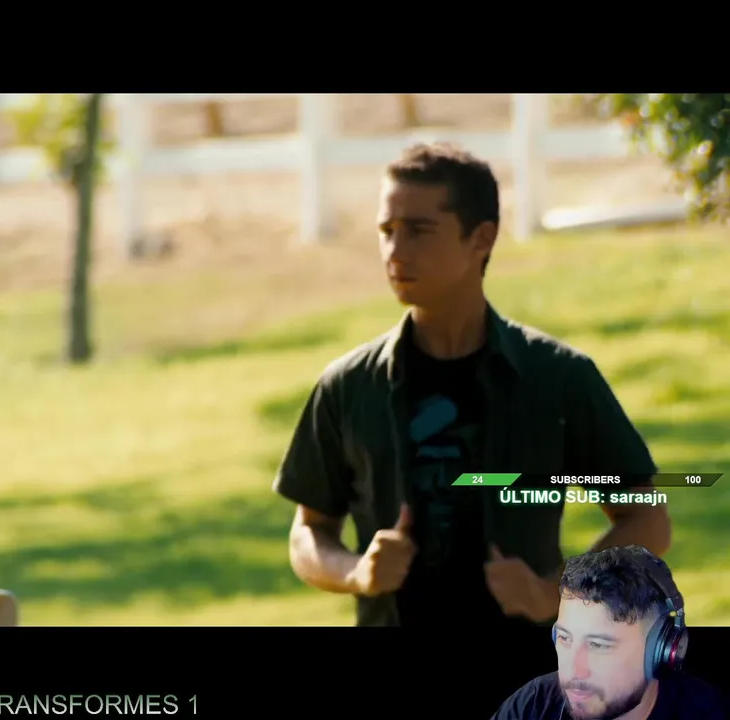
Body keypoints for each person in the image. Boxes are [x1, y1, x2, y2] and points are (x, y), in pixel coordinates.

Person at [273, 143, 672, 627]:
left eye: (419, 230)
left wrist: (556, 594)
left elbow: (647, 519)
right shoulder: (348, 386)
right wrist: (356, 571)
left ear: (481, 238)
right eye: (387, 231)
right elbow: (308, 533)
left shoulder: (558, 377)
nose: (395, 251)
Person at [492, 545, 726, 719]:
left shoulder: (709, 713)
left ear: (661, 652)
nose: (574, 671)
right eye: (565, 638)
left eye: (598, 645)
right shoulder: (533, 705)